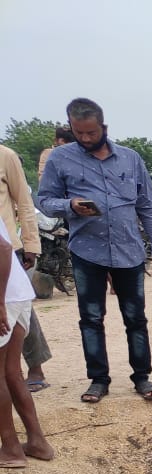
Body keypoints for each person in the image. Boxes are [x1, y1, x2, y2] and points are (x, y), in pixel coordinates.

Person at [37, 97, 152, 403]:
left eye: (91, 133)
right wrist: (70, 205)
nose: (85, 139)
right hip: (86, 251)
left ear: (103, 127)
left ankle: (142, 377)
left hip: (129, 251)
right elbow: (44, 200)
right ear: (71, 128)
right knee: (91, 318)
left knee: (135, 317)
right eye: (79, 133)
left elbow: (148, 205)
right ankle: (98, 379)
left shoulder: (131, 159)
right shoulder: (60, 159)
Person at [0, 216, 54, 467]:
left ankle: (11, 449)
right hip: (17, 294)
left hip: (5, 297)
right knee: (11, 372)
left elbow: (3, 248)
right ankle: (37, 442)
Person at [0, 142, 53, 392]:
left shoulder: (6, 156)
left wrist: (31, 243)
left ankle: (33, 366)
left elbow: (23, 201)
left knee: (19, 308)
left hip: (7, 248)